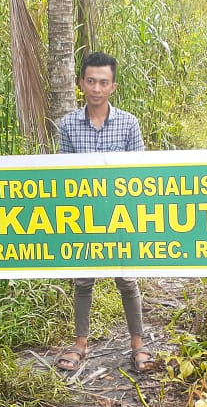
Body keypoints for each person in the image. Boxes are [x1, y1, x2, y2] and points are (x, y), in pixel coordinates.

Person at [55, 51, 155, 370]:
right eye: (91, 81)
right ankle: (80, 345)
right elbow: (63, 173)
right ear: (81, 83)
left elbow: (139, 173)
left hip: (120, 215)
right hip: (83, 216)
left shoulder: (128, 123)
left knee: (126, 279)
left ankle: (138, 345)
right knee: (83, 281)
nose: (96, 88)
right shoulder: (68, 124)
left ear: (113, 86)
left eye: (103, 82)